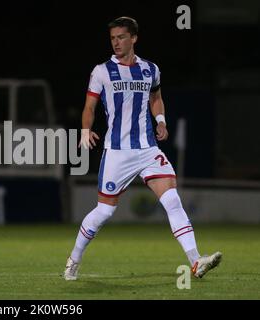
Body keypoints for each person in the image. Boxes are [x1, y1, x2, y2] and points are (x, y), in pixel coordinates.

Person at [64, 17, 222, 281]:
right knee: (104, 211)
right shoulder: (101, 71)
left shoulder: (150, 69)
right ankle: (74, 259)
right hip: (117, 151)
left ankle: (196, 262)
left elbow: (156, 97)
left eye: (121, 37)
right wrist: (84, 129)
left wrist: (160, 120)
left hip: (148, 148)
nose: (116, 42)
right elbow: (89, 106)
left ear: (133, 38)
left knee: (172, 199)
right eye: (113, 38)